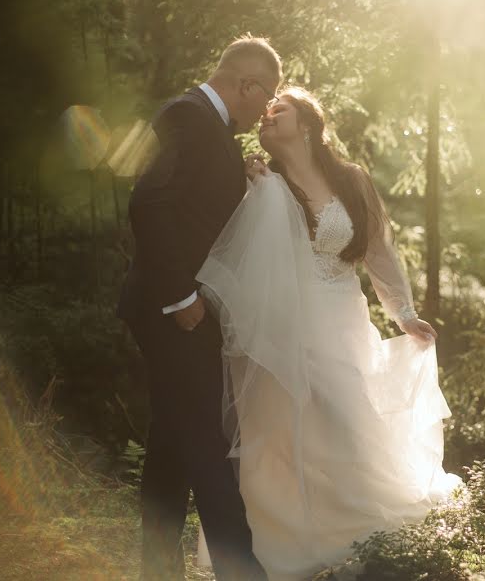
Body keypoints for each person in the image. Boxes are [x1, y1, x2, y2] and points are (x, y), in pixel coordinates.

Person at [196, 86, 461, 581]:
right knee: (282, 435)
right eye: (265, 113)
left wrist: (403, 313)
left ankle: (365, 535)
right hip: (285, 326)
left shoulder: (352, 180)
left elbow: (379, 252)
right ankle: (291, 545)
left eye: (281, 110)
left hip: (342, 319)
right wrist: (256, 192)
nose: (267, 116)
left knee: (347, 423)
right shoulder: (259, 181)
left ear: (309, 125)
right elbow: (241, 259)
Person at [117, 35, 281, 580]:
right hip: (171, 311)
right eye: (266, 98)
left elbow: (197, 213)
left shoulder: (211, 128)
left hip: (182, 310)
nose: (265, 111)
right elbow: (149, 201)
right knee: (208, 442)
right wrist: (179, 296)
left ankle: (157, 570)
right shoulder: (188, 117)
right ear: (245, 84)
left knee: (171, 440)